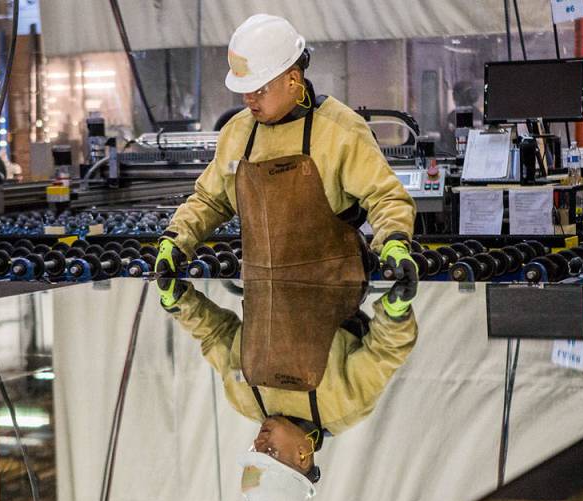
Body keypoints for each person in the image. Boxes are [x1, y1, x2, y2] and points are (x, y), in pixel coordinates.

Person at [154, 14, 418, 297]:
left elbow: (385, 197)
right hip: (261, 304)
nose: (248, 99)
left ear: (293, 79)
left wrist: (393, 240)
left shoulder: (339, 129)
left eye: (258, 89)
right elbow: (210, 200)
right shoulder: (237, 133)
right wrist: (176, 239)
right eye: (244, 91)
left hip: (334, 300)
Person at [158, 277, 418, 501]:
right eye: (269, 452)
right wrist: (395, 313)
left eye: (254, 451)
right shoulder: (344, 405)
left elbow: (215, 333)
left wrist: (180, 301)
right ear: (303, 455)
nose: (258, 441)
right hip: (329, 269)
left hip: (260, 267)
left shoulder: (244, 399)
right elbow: (387, 349)